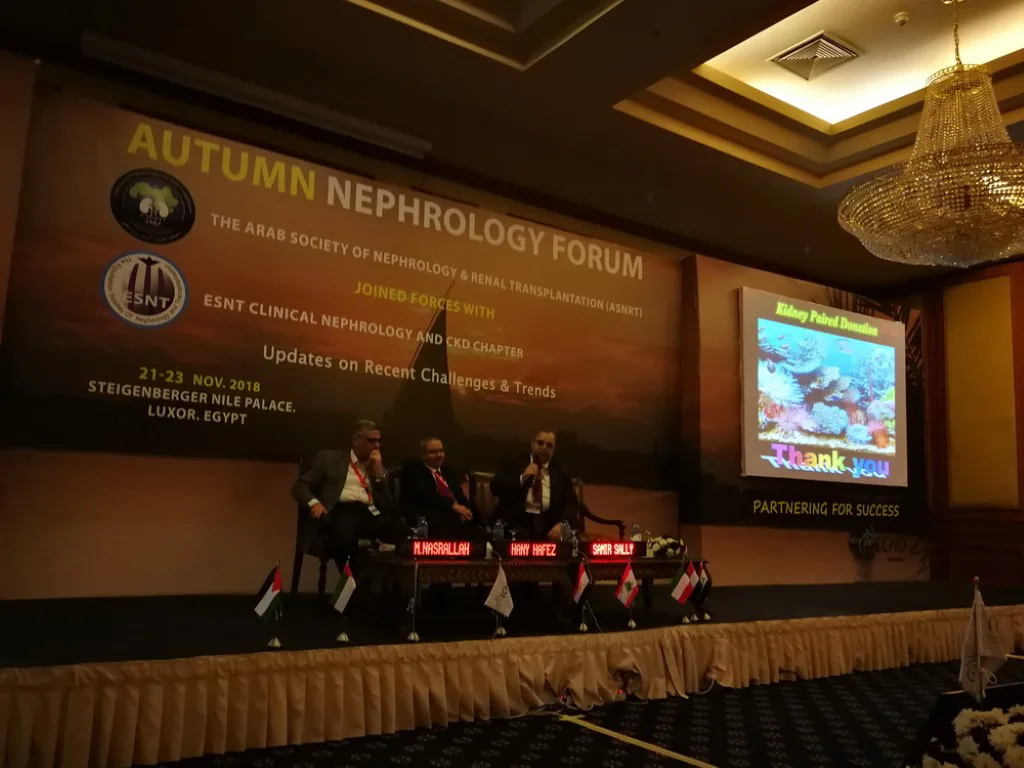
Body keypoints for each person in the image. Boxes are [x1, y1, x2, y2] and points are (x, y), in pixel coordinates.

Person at [292, 419, 408, 572]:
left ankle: (387, 580)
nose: (377, 446)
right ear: (356, 439)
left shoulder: (378, 467)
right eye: (371, 441)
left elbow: (388, 505)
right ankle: (352, 582)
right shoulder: (330, 459)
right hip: (341, 510)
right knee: (345, 536)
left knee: (403, 531)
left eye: (379, 441)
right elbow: (300, 487)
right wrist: (314, 503)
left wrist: (379, 475)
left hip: (369, 512)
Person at [490, 430, 579, 540]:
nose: (544, 448)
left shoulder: (561, 472)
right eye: (540, 443)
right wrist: (522, 477)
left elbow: (571, 503)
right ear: (532, 444)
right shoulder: (513, 463)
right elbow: (495, 487)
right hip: (515, 524)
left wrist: (561, 524)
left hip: (548, 527)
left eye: (549, 445)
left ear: (553, 450)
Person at [400, 437, 479, 539]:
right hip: (430, 520)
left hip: (455, 520)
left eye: (441, 451)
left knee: (479, 535)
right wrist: (453, 506)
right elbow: (426, 494)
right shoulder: (414, 470)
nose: (439, 455)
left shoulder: (449, 472)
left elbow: (460, 496)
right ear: (423, 454)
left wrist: (467, 511)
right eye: (433, 452)